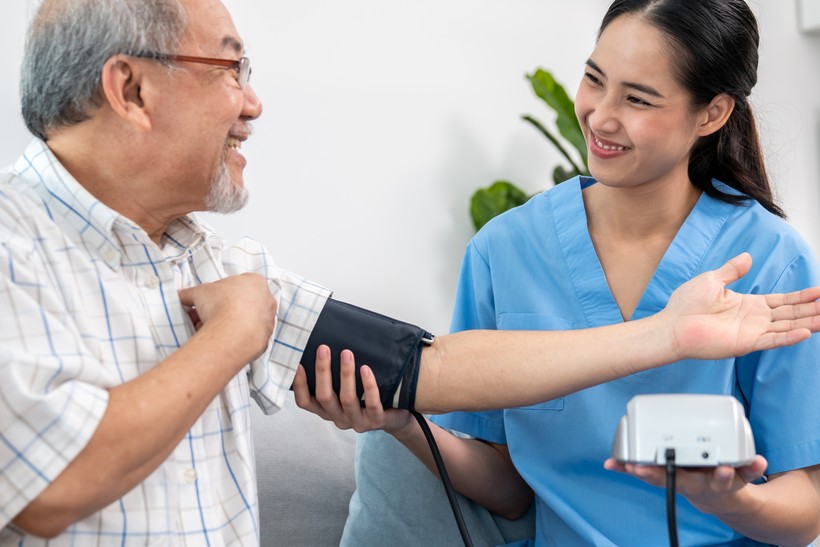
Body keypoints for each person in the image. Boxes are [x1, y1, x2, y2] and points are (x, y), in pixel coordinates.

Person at [2, 0, 819, 545]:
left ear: (712, 113)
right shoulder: (24, 245)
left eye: (639, 97)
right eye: (230, 70)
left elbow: (426, 366)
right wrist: (235, 336)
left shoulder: (216, 262)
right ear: (130, 88)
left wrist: (667, 340)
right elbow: (48, 484)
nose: (253, 103)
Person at [301, 1, 820, 546]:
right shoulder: (505, 251)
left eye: (638, 99)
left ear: (711, 114)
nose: (600, 117)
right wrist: (406, 424)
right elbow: (509, 490)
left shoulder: (771, 261)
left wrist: (727, 499)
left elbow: (806, 510)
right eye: (595, 80)